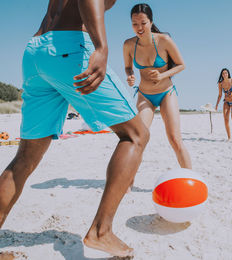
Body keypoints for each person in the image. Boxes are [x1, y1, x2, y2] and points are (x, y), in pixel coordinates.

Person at [0, 0, 150, 257]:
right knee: (136, 134)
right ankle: (101, 232)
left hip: (36, 53)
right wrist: (102, 47)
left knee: (24, 158)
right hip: (69, 49)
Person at [123, 3, 192, 170]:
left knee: (175, 139)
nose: (139, 27)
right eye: (135, 24)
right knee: (138, 139)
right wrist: (130, 76)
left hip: (166, 93)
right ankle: (127, 183)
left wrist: (162, 75)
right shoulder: (128, 45)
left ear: (151, 22)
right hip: (144, 95)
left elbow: (181, 65)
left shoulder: (164, 41)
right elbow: (127, 67)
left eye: (143, 23)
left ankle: (191, 177)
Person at [215, 68, 232, 142]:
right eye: (223, 73)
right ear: (221, 75)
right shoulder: (221, 83)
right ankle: (229, 137)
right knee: (226, 120)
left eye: (226, 73)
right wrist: (216, 105)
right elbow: (219, 95)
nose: (225, 74)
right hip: (226, 101)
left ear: (228, 73)